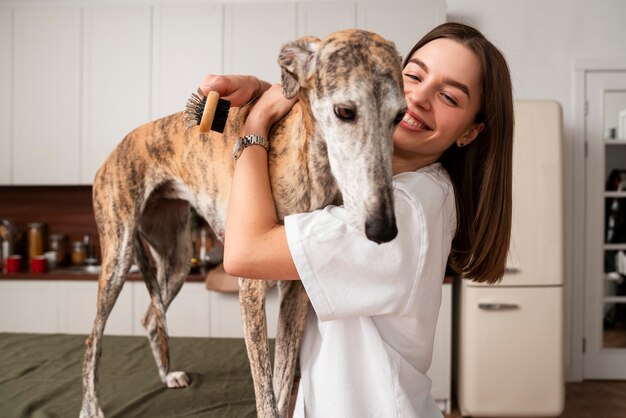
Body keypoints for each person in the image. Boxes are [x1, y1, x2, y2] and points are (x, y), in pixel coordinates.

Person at [200, 22, 513, 417]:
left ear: (470, 132)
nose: (417, 98)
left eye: (449, 97)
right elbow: (334, 106)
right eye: (412, 76)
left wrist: (256, 123)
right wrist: (265, 88)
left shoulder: (399, 211)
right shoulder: (415, 186)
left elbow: (245, 253)